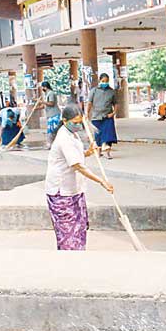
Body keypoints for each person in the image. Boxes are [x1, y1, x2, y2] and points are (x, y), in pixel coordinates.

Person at [45, 103, 114, 251]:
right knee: (68, 233)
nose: (78, 126)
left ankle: (78, 259)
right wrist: (102, 181)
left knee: (79, 228)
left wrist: (88, 152)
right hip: (61, 192)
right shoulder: (64, 138)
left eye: (80, 122)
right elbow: (77, 166)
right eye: (75, 123)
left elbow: (75, 157)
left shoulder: (72, 134)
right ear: (64, 121)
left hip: (75, 190)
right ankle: (70, 263)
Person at [86, 73, 118, 160]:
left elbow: (115, 104)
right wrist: (86, 114)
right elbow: (89, 103)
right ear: (100, 81)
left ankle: (108, 153)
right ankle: (99, 152)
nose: (105, 83)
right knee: (98, 136)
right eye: (103, 81)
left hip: (107, 117)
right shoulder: (94, 91)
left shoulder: (111, 91)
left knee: (109, 135)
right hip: (96, 117)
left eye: (107, 81)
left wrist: (113, 113)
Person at [40, 81, 61, 150]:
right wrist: (36, 108)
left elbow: (51, 103)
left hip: (54, 115)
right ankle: (52, 145)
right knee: (51, 131)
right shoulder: (47, 94)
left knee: (52, 131)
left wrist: (42, 101)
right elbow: (46, 105)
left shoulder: (51, 93)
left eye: (42, 87)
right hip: (50, 115)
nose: (42, 89)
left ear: (45, 87)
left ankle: (51, 145)